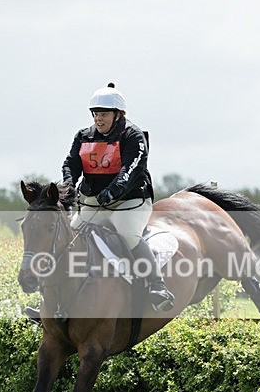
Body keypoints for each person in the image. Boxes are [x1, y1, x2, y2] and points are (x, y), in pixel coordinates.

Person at [61, 82, 175, 312]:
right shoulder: (84, 136)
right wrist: (68, 186)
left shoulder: (133, 136)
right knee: (69, 239)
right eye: (95, 114)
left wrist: (112, 192)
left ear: (117, 114)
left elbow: (130, 171)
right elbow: (71, 164)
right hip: (95, 203)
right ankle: (55, 300)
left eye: (103, 114)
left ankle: (157, 285)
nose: (98, 119)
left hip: (129, 202)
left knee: (128, 235)